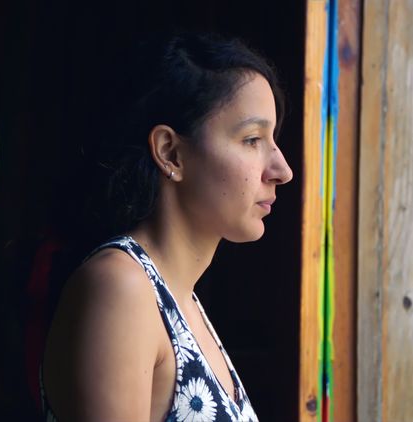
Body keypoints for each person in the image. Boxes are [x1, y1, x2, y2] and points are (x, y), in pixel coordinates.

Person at [40, 32, 293, 422]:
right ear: (170, 152)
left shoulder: (182, 302)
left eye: (271, 139)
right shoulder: (122, 287)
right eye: (252, 139)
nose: (281, 170)